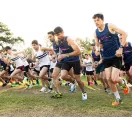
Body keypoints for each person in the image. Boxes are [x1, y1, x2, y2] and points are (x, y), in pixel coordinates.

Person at [93, 13, 128, 106]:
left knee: (114, 78)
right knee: (108, 79)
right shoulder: (96, 32)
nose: (96, 22)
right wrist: (97, 50)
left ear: (102, 20)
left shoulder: (110, 26)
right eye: (94, 21)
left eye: (98, 20)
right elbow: (97, 44)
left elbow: (124, 33)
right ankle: (118, 99)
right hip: (106, 57)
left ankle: (122, 81)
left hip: (116, 55)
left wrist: (121, 48)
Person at [53, 26, 87, 100]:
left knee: (79, 80)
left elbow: (78, 52)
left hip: (75, 61)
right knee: (63, 76)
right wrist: (57, 56)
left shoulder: (68, 39)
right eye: (56, 35)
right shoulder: (58, 41)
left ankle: (84, 92)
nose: (58, 36)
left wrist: (65, 55)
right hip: (66, 61)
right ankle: (72, 81)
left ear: (63, 33)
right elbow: (59, 52)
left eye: (59, 34)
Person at [47, 31, 76, 98]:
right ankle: (58, 93)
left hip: (66, 61)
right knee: (54, 75)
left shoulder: (61, 41)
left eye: (50, 36)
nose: (49, 38)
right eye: (48, 37)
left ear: (55, 35)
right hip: (59, 61)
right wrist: (54, 56)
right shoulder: (54, 44)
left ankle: (73, 81)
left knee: (65, 76)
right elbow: (56, 53)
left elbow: (70, 49)